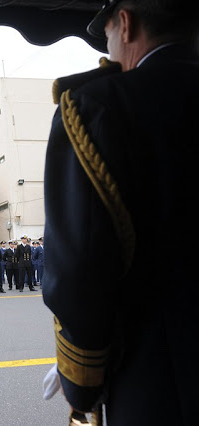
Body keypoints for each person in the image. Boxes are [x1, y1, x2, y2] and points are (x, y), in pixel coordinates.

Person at [41, 1, 199, 424]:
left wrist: (81, 382)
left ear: (125, 24)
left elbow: (80, 270)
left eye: (107, 36)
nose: (107, 51)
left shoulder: (97, 106)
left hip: (164, 382)